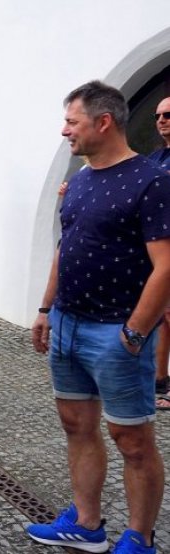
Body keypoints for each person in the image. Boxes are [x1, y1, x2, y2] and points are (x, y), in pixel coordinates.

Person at [27, 81, 170, 554]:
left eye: (72, 121)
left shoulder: (152, 180)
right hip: (67, 324)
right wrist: (47, 309)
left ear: (103, 122)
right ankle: (87, 525)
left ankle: (139, 538)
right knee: (76, 425)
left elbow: (166, 265)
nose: (64, 130)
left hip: (115, 332)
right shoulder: (82, 178)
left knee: (131, 438)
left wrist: (135, 332)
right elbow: (65, 249)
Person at [149, 96, 170, 412]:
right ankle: (159, 380)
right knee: (161, 316)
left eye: (169, 114)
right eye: (158, 115)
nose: (162, 119)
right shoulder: (155, 158)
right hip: (157, 249)